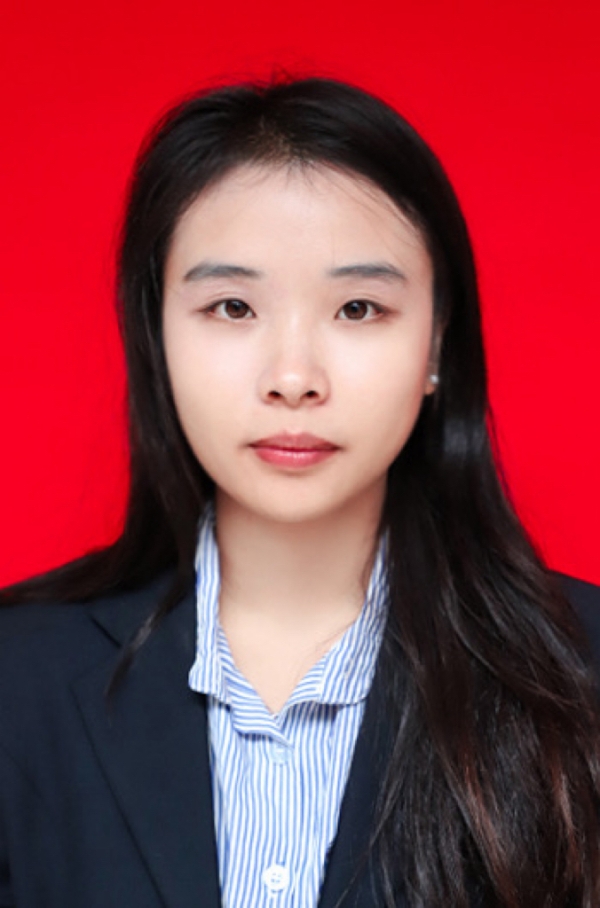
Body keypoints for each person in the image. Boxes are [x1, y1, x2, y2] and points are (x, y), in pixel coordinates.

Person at [0, 77, 599, 908]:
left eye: (357, 308)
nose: (292, 377)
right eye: (231, 306)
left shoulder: (579, 675)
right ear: (156, 334)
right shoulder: (18, 679)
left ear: (436, 345)